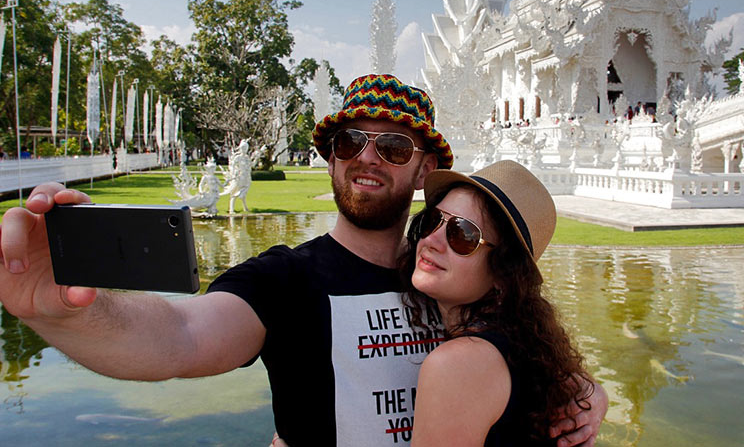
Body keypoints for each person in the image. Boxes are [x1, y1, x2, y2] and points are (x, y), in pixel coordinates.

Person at [0, 74, 606, 446]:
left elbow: (526, 342)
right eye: (349, 142)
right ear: (331, 158)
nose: (368, 157)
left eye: (393, 146)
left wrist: (581, 390)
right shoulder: (287, 279)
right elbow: (179, 336)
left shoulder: (447, 276)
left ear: (424, 168)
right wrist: (62, 315)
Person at [401, 160, 592, 446]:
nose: (432, 240)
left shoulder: (458, 365)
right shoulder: (523, 345)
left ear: (504, 273)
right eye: (433, 221)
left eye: (462, 235)